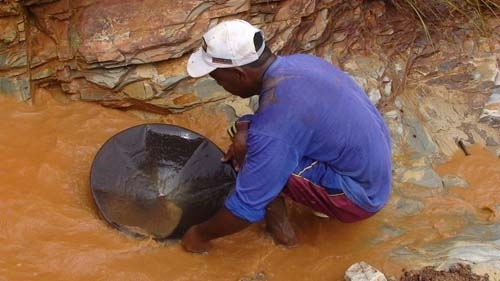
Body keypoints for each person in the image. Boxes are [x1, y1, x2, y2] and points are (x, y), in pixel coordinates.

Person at [181, 19, 392, 253]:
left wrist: (198, 234)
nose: (220, 85)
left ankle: (285, 239)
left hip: (359, 198)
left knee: (252, 158)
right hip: (373, 168)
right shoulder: (299, 64)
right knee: (253, 142)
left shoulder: (276, 121)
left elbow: (246, 208)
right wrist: (244, 127)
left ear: (240, 74)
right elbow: (279, 124)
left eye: (218, 79)